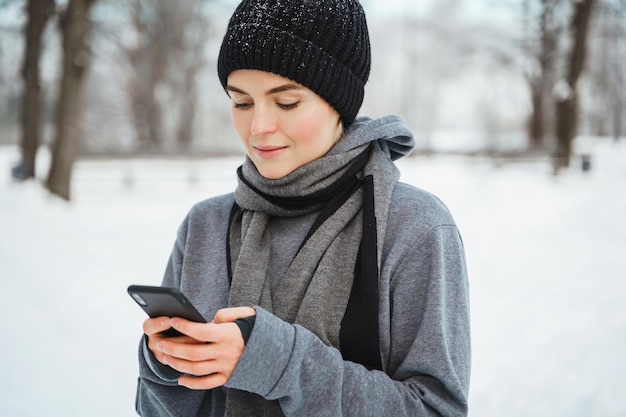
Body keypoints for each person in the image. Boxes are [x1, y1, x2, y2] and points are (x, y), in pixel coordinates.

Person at [135, 0, 471, 416]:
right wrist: (167, 365)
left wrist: (276, 361)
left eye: (287, 103)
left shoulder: (414, 227)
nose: (258, 127)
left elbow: (435, 410)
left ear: (338, 104)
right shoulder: (205, 225)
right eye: (241, 102)